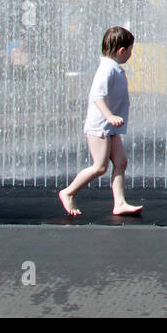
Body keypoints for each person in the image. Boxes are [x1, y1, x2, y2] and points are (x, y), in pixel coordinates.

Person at [58, 26, 142, 217]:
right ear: (122, 51)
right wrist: (109, 116)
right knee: (99, 167)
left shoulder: (113, 68)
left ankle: (119, 203)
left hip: (109, 127)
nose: (130, 54)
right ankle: (68, 192)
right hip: (99, 126)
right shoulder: (106, 69)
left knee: (120, 162)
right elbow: (97, 96)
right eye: (130, 50)